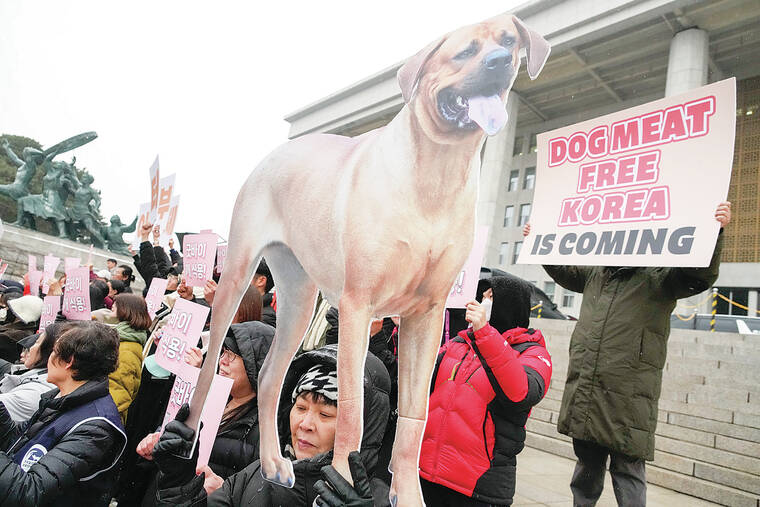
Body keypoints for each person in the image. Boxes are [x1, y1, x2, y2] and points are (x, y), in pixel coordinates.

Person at [522, 201, 731, 506]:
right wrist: (538, 241)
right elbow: (564, 270)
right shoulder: (597, 271)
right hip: (589, 390)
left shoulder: (659, 275)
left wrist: (714, 234)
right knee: (586, 469)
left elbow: (697, 276)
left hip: (628, 399)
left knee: (628, 472)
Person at [151, 344, 391, 506]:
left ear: (362, 428)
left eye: (325, 414)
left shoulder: (382, 500)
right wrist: (178, 484)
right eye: (301, 407)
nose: (305, 424)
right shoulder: (258, 473)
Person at [419, 276, 552, 507]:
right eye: (482, 297)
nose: (483, 303)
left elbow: (520, 393)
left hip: (478, 487)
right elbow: (420, 378)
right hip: (428, 475)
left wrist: (486, 334)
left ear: (510, 304)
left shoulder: (532, 352)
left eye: (490, 297)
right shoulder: (458, 344)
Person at [0, 321, 126, 506]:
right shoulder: (61, 397)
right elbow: (18, 441)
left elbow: (30, 491)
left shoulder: (95, 428)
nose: (48, 358)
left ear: (69, 361)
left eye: (53, 351)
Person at [0, 324, 65, 422]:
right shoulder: (39, 379)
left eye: (36, 342)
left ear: (51, 352)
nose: (30, 348)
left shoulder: (34, 393)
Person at [108, 294, 151, 422]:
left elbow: (119, 394)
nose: (112, 306)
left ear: (127, 309)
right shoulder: (124, 338)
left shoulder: (126, 350)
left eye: (117, 304)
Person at [0, 295, 43, 363]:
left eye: (10, 308)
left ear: (18, 315)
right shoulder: (22, 330)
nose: (6, 310)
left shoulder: (13, 335)